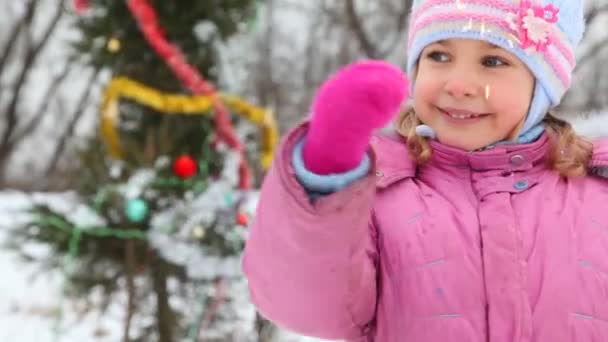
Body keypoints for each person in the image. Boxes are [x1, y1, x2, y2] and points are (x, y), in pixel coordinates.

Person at [242, 0, 608, 340]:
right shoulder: (379, 192)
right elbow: (307, 305)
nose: (459, 85)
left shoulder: (596, 194)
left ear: (543, 86)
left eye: (493, 62)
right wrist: (326, 171)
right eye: (439, 55)